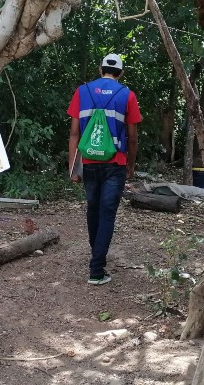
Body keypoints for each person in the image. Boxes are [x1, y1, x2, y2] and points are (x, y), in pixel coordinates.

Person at [67, 53, 141, 285]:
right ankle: (96, 268)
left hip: (89, 161)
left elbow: (74, 133)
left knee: (93, 209)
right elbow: (132, 136)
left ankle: (96, 256)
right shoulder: (127, 95)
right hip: (115, 162)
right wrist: (130, 164)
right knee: (107, 213)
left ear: (101, 70)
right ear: (121, 73)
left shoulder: (83, 92)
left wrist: (73, 168)